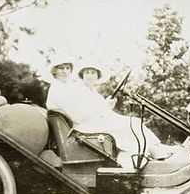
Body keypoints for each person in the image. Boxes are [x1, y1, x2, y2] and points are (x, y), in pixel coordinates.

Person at [44, 58, 176, 161]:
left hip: (87, 123)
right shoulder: (60, 90)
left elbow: (89, 110)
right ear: (53, 71)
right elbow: (79, 115)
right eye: (61, 68)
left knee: (133, 122)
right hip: (82, 128)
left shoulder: (66, 88)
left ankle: (152, 149)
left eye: (67, 68)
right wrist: (104, 108)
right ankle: (147, 152)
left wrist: (105, 108)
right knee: (132, 123)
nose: (65, 71)